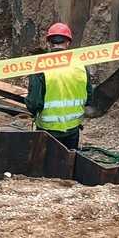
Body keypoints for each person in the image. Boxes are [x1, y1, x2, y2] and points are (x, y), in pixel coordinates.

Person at [26, 22, 92, 150]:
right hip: (73, 129)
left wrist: (33, 110)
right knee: (67, 164)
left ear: (49, 43)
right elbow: (89, 96)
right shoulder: (80, 65)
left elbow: (33, 103)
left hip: (47, 130)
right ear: (68, 43)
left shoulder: (40, 66)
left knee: (47, 165)